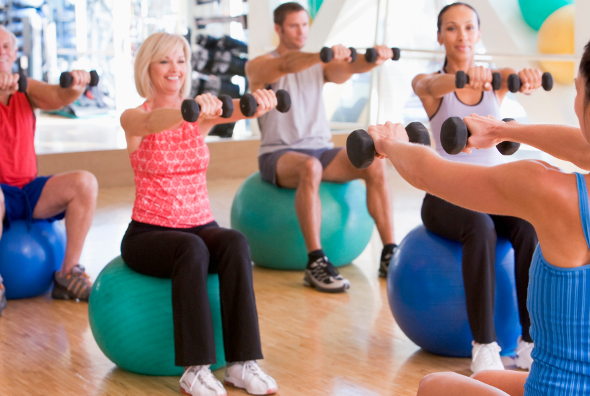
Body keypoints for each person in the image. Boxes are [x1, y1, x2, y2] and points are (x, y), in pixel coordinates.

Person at [366, 30, 590, 395]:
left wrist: (392, 143)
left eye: (578, 91)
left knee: (434, 385)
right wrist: (500, 129)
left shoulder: (553, 193)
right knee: (485, 379)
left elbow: (427, 173)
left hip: (561, 390)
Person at [119, 32, 278, 396]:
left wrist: (259, 100)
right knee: (192, 250)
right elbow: (152, 123)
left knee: (235, 241)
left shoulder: (197, 115)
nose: (174, 69)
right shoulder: (134, 117)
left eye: (180, 60)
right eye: (164, 61)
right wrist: (186, 110)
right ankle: (196, 369)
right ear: (148, 67)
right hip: (148, 232)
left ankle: (241, 364)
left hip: (199, 224)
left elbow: (236, 108)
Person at [410, 2, 545, 372]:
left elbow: (516, 76)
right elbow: (433, 84)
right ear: (440, 36)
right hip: (444, 196)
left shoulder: (495, 78)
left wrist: (528, 77)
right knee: (480, 227)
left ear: (479, 33)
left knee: (529, 226)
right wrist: (462, 78)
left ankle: (529, 342)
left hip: (489, 192)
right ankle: (484, 345)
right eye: (452, 28)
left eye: (469, 28)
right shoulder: (428, 85)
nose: (462, 36)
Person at [245, 2, 398, 293]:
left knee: (375, 161)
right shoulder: (259, 65)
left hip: (320, 148)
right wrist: (319, 55)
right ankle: (315, 262)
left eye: (305, 24)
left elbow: (349, 68)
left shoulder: (320, 64)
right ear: (278, 29)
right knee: (309, 167)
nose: (301, 31)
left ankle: (389, 253)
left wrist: (373, 58)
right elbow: (286, 64)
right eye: (294, 25)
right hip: (277, 154)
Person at [0, 24, 98, 318]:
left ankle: (68, 273)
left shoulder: (26, 87)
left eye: (7, 47)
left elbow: (58, 96)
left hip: (26, 191)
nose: (1, 52)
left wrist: (76, 85)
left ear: (16, 52)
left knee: (85, 182)